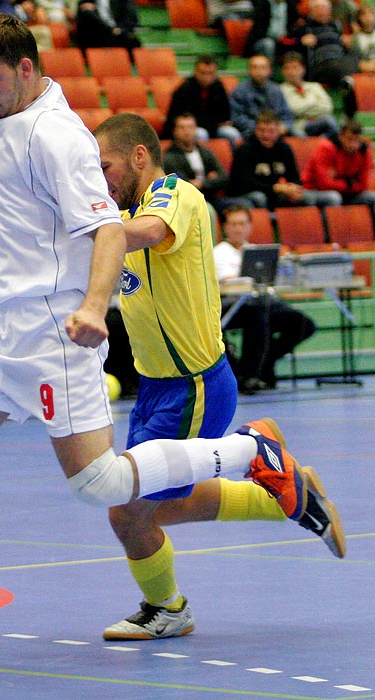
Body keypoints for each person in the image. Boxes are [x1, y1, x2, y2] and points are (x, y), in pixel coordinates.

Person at [0, 15, 343, 674]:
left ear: (26, 68)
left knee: (100, 486)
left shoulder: (61, 135)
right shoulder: (9, 120)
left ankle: (250, 451)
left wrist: (91, 308)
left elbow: (107, 231)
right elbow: (22, 178)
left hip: (50, 337)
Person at [91, 113, 341, 641]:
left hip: (193, 386)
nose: (101, 178)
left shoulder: (175, 195)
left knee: (129, 513)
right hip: (154, 388)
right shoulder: (123, 210)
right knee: (160, 505)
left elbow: (150, 232)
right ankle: (282, 489)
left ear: (139, 156)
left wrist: (88, 225)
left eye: (106, 166)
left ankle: (170, 607)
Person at [214, 204, 316, 393]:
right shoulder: (219, 253)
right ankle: (249, 374)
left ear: (250, 226)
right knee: (257, 315)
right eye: (234, 224)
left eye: (242, 224)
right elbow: (228, 283)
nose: (238, 228)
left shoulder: (256, 252)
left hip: (263, 301)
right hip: (234, 305)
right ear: (225, 227)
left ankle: (266, 362)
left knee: (302, 324)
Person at [227, 109, 331, 209]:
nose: (266, 135)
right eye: (261, 130)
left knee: (311, 198)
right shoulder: (245, 150)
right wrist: (275, 188)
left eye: (271, 131)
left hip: (278, 194)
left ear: (278, 131)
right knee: (260, 197)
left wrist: (293, 189)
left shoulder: (284, 148)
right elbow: (244, 183)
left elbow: (294, 176)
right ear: (255, 130)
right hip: (248, 195)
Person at [288, 0, 375, 91]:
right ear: (311, 11)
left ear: (329, 11)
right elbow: (283, 45)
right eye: (317, 9)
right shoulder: (304, 28)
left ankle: (349, 83)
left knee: (354, 58)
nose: (321, 12)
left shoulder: (336, 25)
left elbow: (343, 46)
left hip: (341, 61)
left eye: (324, 9)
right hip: (322, 64)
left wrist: (346, 42)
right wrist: (300, 41)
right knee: (361, 65)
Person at [162, 112, 229, 220]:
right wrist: (209, 179)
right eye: (182, 128)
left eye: (190, 127)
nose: (187, 131)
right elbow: (184, 184)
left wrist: (202, 183)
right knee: (208, 210)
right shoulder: (169, 157)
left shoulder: (205, 152)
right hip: (186, 202)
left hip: (212, 198)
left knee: (238, 208)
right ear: (174, 131)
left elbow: (223, 177)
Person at [163, 54, 241, 144]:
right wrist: (213, 122)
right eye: (203, 73)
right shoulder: (185, 88)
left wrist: (212, 122)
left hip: (213, 128)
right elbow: (184, 117)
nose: (207, 77)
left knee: (231, 133)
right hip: (191, 128)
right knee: (201, 134)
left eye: (211, 73)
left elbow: (225, 115)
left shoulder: (219, 87)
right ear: (195, 72)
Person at [302, 118, 375, 208]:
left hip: (347, 193)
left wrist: (337, 182)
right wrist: (350, 183)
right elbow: (324, 184)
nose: (353, 145)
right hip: (314, 190)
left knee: (372, 197)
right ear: (340, 136)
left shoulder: (365, 151)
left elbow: (363, 185)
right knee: (334, 197)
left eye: (357, 140)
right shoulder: (325, 148)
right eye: (349, 139)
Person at [229, 54, 295, 141]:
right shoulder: (239, 91)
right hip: (250, 132)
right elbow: (237, 117)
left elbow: (287, 114)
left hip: (276, 131)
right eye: (255, 67)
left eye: (263, 68)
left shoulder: (276, 90)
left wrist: (284, 126)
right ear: (249, 70)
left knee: (298, 134)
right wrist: (262, 129)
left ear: (270, 71)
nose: (259, 71)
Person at [280, 51, 339, 139]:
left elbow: (328, 107)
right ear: (283, 71)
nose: (291, 72)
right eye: (287, 68)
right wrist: (314, 102)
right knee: (298, 134)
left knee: (330, 121)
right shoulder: (280, 90)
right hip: (297, 126)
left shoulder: (315, 86)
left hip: (318, 122)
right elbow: (294, 109)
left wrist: (303, 110)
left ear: (303, 69)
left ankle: (321, 145)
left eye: (295, 68)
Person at [75, 0, 141, 53]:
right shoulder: (86, 2)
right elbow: (81, 22)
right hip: (97, 34)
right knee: (87, 13)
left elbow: (131, 18)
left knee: (132, 41)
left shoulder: (123, 2)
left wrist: (121, 29)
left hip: (118, 33)